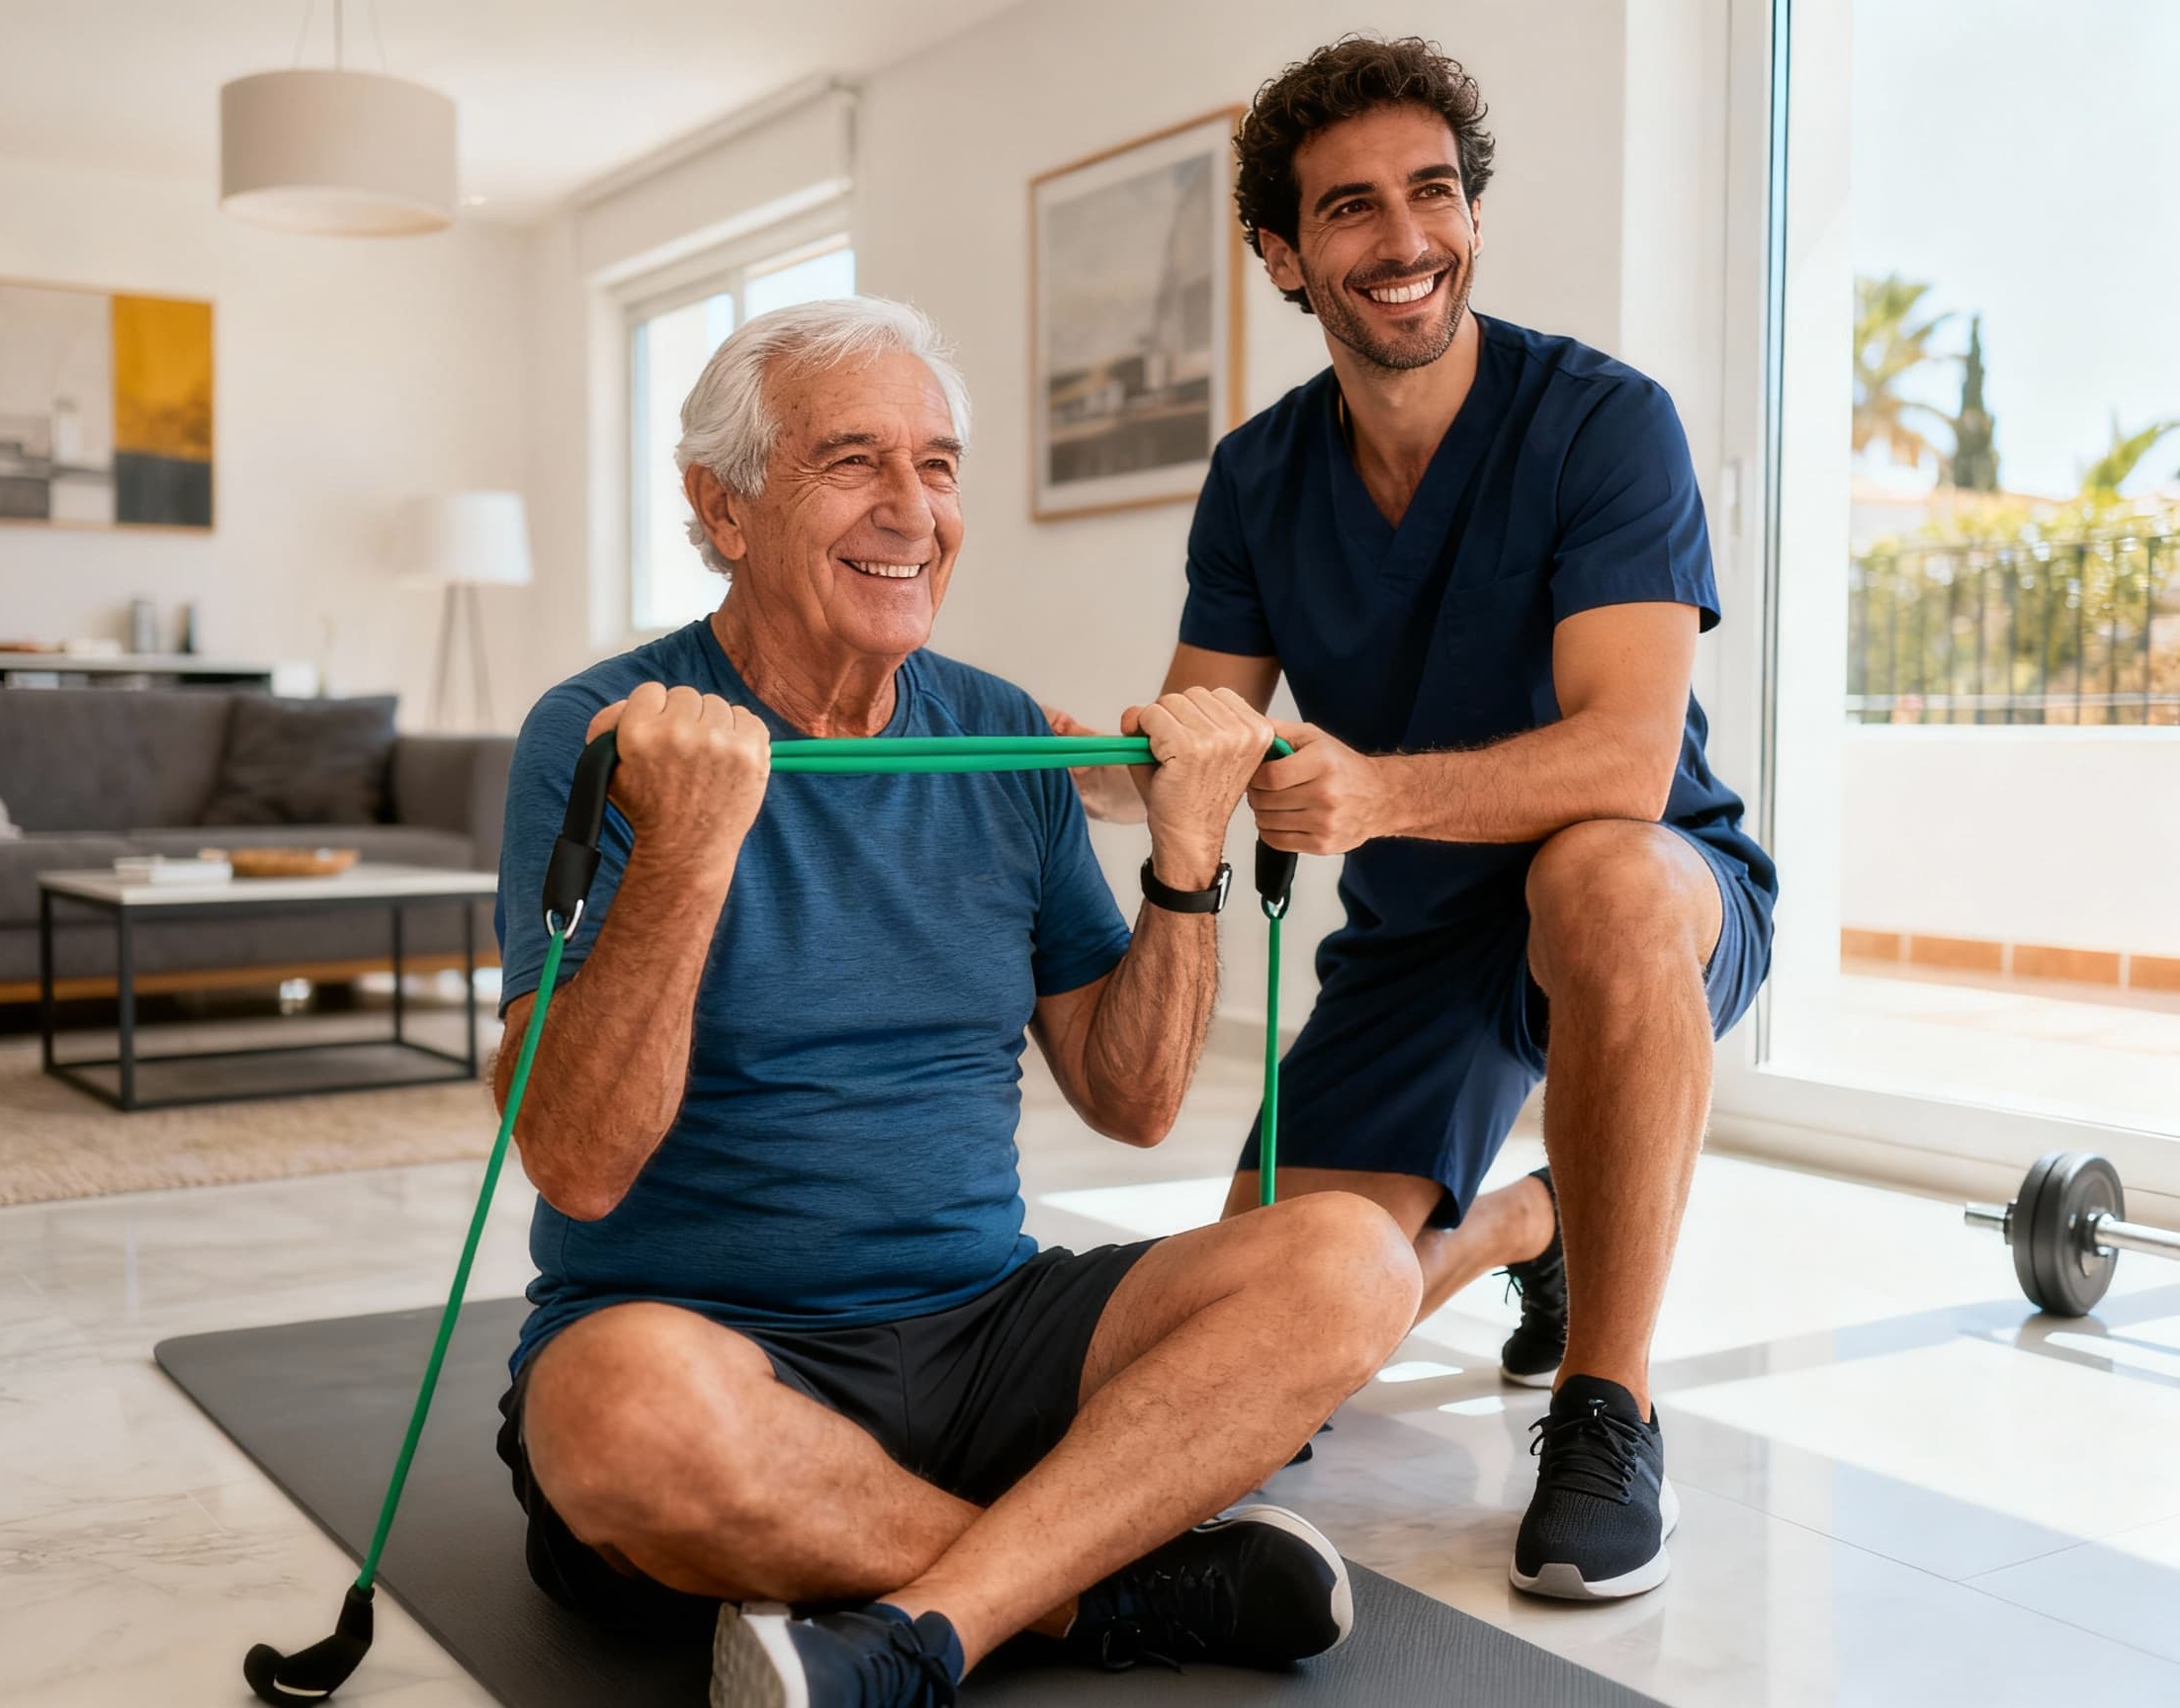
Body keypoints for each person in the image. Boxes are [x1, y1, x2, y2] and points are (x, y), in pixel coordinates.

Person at [488, 298, 1422, 1708]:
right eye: (851, 461)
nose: (911, 511)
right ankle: (1096, 1589)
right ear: (722, 507)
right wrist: (686, 847)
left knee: (1353, 1258)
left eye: (937, 466)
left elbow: (1135, 1100)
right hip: (714, 1347)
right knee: (615, 1412)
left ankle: (923, 1625)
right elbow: (575, 1161)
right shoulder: (605, 733)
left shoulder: (1001, 736)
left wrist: (1182, 859)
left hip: (990, 1334)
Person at [1057, 37, 1776, 1601]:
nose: (1406, 239)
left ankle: (1609, 1399)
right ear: (1282, 255)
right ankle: (1536, 1218)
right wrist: (1049, 753)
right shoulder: (1258, 478)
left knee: (1604, 881)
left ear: (1470, 213)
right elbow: (1207, 735)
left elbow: (1628, 763)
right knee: (1249, 1338)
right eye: (1353, 208)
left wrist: (1374, 793)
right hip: (1422, 937)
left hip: (1654, 891)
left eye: (1434, 192)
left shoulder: (1604, 423)